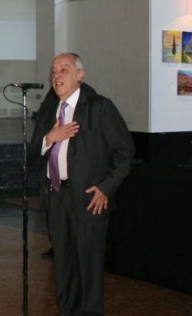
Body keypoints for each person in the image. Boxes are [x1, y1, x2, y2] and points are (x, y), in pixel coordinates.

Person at [29, 53, 133, 315]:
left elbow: (124, 151)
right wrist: (49, 138)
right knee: (63, 265)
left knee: (89, 266)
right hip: (56, 196)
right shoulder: (47, 110)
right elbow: (32, 155)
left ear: (80, 75)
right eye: (54, 70)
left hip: (88, 199)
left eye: (64, 69)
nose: (57, 75)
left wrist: (106, 187)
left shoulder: (99, 107)